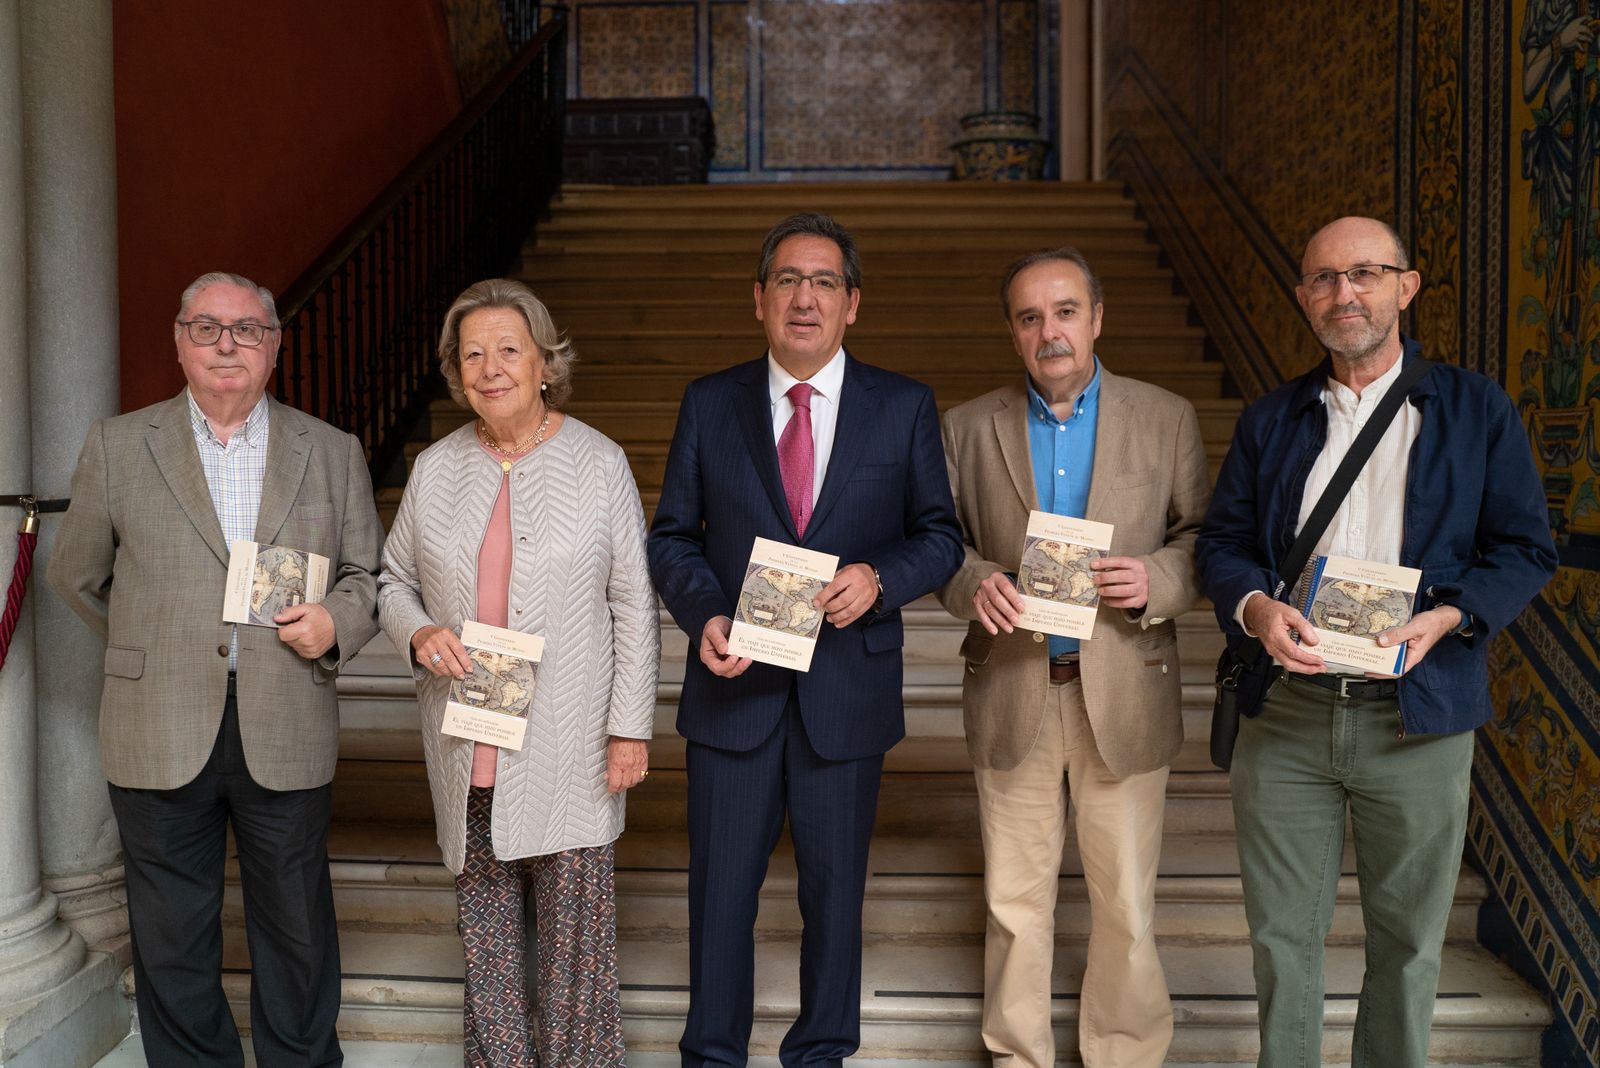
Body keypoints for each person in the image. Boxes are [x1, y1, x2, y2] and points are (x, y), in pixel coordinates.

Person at [1195, 217, 1558, 1067]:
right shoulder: (1272, 420)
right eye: (1323, 279)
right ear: (1301, 298)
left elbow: (1525, 548)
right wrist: (1253, 609)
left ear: (1407, 285)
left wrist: (1451, 616)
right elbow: (1223, 544)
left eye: (1364, 273)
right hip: (1286, 713)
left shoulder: (1475, 411)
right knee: (1283, 939)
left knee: (1409, 942)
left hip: (1418, 717)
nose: (1343, 293)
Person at [647, 212, 964, 1067]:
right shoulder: (709, 402)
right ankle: (712, 1055)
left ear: (853, 304)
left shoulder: (900, 406)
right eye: (787, 279)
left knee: (834, 898)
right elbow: (671, 536)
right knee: (719, 900)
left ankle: (821, 1053)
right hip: (734, 690)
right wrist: (706, 613)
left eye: (824, 282)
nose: (805, 297)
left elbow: (940, 535)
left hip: (845, 696)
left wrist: (880, 579)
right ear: (758, 299)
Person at [47, 271, 384, 1067]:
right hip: (156, 719)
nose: (226, 345)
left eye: (247, 330)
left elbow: (369, 578)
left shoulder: (331, 451)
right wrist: (149, 640)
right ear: (179, 341)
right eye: (207, 328)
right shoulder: (118, 444)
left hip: (287, 714)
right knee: (170, 933)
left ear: (275, 347)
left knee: (297, 927)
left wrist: (336, 620)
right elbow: (75, 575)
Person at [935, 247, 1209, 1067]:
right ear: (1013, 333)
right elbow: (937, 543)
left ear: (1097, 318)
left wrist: (1154, 576)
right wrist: (973, 580)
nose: (1048, 331)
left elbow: (1204, 542)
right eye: (1029, 317)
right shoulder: (966, 426)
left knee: (1125, 900)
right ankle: (1019, 1054)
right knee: (1014, 901)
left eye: (1063, 312)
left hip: (1122, 688)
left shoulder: (1166, 417)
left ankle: (1123, 1054)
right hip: (1016, 684)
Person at [377, 278, 657, 1067]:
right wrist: (419, 629)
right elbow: (392, 579)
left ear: (544, 362)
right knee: (489, 946)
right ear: (456, 371)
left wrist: (629, 727)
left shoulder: (598, 462)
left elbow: (635, 605)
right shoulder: (435, 469)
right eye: (473, 354)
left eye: (509, 349)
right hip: (469, 740)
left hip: (571, 742)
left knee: (576, 950)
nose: (490, 367)